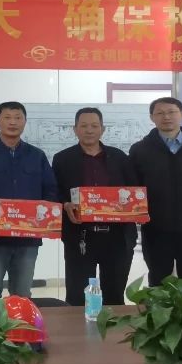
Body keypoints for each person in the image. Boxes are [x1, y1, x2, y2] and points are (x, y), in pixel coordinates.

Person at [0, 102, 57, 300]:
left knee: (22, 295)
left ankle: (19, 322)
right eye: (7, 117)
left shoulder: (37, 156)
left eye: (18, 118)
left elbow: (51, 190)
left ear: (25, 121)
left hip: (28, 239)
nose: (13, 122)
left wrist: (44, 214)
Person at [52, 107, 139, 306]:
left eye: (94, 125)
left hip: (117, 237)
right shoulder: (62, 159)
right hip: (80, 236)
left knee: (114, 295)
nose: (89, 130)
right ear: (75, 129)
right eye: (83, 126)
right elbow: (54, 192)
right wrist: (65, 204)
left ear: (103, 129)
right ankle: (78, 327)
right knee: (78, 296)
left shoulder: (120, 158)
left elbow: (134, 191)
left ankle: (112, 327)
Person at [130, 97, 182, 297]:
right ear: (152, 117)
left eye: (171, 112)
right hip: (155, 228)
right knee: (159, 284)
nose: (166, 117)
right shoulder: (140, 149)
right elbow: (134, 187)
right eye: (160, 113)